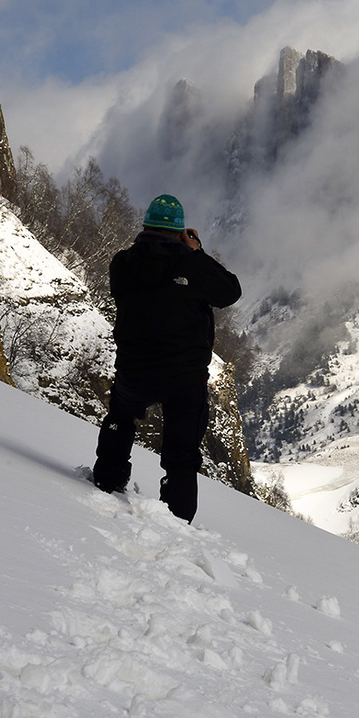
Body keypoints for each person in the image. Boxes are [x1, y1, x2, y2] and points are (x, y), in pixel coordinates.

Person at [91, 194, 241, 522]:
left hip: (134, 368)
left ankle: (106, 480)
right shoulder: (190, 264)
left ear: (145, 226)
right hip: (183, 377)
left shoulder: (123, 263)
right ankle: (176, 518)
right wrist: (195, 253)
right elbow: (230, 292)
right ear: (179, 232)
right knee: (182, 454)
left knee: (120, 417)